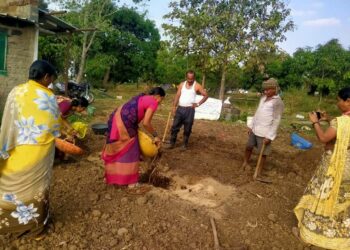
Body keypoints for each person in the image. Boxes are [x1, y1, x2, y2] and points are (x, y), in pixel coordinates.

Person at [0, 60, 60, 238]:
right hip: (37, 151)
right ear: (46, 76)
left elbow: (9, 118)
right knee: (36, 187)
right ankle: (35, 228)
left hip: (15, 145)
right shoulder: (47, 96)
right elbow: (53, 124)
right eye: (50, 79)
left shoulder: (16, 91)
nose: (50, 82)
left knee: (10, 183)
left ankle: (6, 221)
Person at [294, 87, 350, 249]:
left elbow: (324, 138)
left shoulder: (340, 122)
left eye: (339, 100)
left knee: (322, 194)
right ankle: (342, 233)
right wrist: (328, 120)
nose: (337, 103)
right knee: (342, 199)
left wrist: (315, 122)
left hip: (334, 166)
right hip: (348, 167)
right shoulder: (341, 121)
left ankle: (312, 232)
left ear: (348, 101)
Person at [101, 87, 165, 188]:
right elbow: (146, 123)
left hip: (116, 117)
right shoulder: (154, 102)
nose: (161, 102)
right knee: (132, 150)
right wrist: (156, 136)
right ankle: (131, 182)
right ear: (158, 96)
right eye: (162, 99)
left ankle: (109, 177)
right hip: (125, 123)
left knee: (116, 147)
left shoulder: (142, 96)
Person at [242, 78, 284, 177]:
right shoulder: (263, 98)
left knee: (263, 153)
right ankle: (245, 162)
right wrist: (251, 125)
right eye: (265, 89)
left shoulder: (278, 102)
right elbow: (257, 113)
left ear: (274, 89)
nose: (266, 91)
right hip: (255, 128)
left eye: (268, 89)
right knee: (248, 147)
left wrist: (269, 136)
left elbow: (276, 120)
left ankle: (259, 171)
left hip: (265, 132)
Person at [166, 70, 208, 149]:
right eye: (188, 78)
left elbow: (206, 95)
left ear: (194, 78)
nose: (190, 80)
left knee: (188, 127)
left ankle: (184, 144)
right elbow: (177, 95)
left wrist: (198, 104)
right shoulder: (182, 84)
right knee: (175, 126)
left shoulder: (197, 86)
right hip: (180, 108)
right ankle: (172, 143)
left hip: (189, 110)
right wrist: (174, 106)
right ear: (186, 77)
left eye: (191, 79)